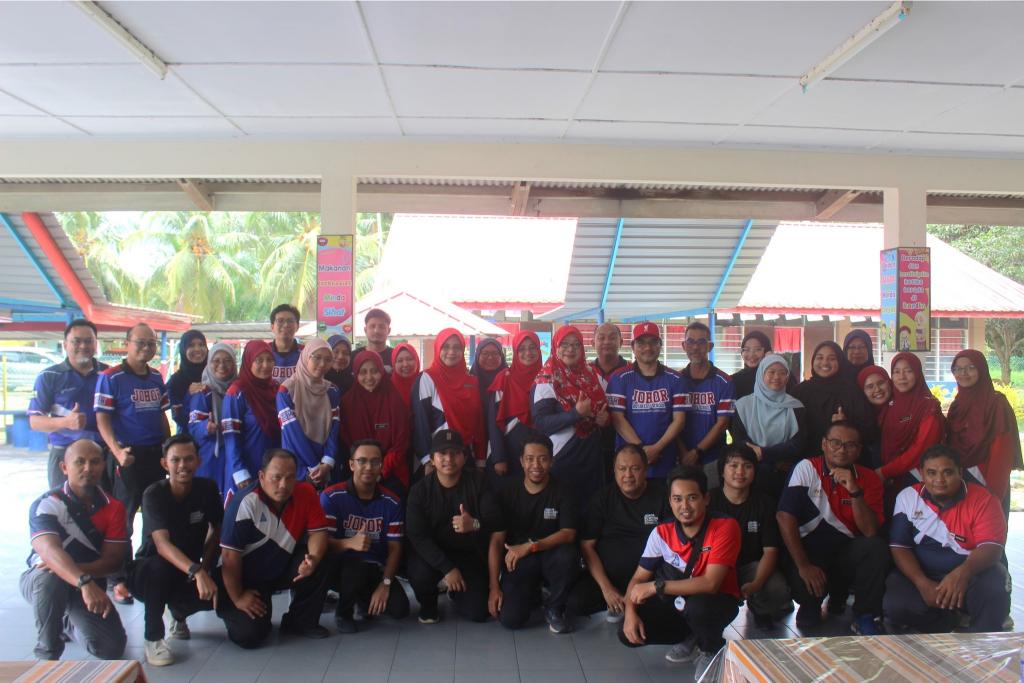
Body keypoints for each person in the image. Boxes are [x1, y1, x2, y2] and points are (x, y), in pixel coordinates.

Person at [619, 465, 741, 679]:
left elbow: (711, 583)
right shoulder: (661, 532)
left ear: (706, 498)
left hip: (717, 601)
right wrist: (629, 612)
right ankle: (691, 636)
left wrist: (657, 586)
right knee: (626, 632)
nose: (684, 506)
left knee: (699, 608)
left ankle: (711, 650)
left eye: (692, 498)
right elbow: (638, 578)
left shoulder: (725, 526)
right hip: (680, 604)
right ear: (670, 501)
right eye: (677, 499)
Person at [777, 421, 888, 635]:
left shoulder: (869, 478)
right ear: (824, 444)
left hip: (846, 552)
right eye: (835, 442)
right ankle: (813, 603)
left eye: (850, 445)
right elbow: (784, 516)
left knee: (876, 548)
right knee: (808, 616)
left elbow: (870, 532)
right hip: (810, 552)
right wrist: (803, 566)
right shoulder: (807, 468)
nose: (842, 450)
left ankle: (865, 615)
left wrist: (854, 491)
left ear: (859, 450)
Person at [885, 445, 1010, 633]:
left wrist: (962, 574)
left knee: (993, 587)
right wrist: (922, 583)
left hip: (971, 571)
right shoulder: (908, 497)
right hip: (925, 573)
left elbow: (992, 548)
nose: (939, 480)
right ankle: (949, 622)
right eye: (931, 473)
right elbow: (899, 546)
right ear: (922, 474)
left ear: (960, 473)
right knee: (896, 605)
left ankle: (981, 633)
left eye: (948, 472)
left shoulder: (985, 499)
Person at [22, 440, 127, 661]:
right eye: (80, 462)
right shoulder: (47, 504)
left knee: (111, 648)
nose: (88, 468)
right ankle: (47, 654)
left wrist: (81, 578)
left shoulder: (114, 507)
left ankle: (67, 620)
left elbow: (113, 561)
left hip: (85, 583)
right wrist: (84, 581)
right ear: (64, 467)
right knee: (50, 577)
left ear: (103, 465)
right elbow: (49, 552)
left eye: (95, 462)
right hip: (44, 580)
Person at [217, 448, 332, 647]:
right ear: (262, 476)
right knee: (250, 635)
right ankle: (223, 605)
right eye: (276, 477)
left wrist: (312, 559)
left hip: (278, 567)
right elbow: (229, 557)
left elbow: (319, 532)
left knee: (322, 558)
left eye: (290, 477)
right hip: (243, 578)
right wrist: (238, 597)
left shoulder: (305, 492)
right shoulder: (246, 502)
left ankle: (300, 622)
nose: (283, 485)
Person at [94, 322, 171, 604]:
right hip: (127, 456)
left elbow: (162, 415)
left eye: (151, 344)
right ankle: (119, 578)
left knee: (155, 515)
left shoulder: (156, 377)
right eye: (141, 342)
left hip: (154, 454)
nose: (146, 348)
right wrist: (116, 451)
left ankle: (146, 569)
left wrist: (167, 449)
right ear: (127, 343)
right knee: (122, 519)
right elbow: (102, 419)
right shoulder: (110, 378)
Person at [129, 435, 221, 666]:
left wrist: (206, 567)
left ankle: (178, 614)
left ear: (198, 461)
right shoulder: (153, 494)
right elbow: (162, 545)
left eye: (189, 459)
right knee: (159, 569)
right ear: (164, 464)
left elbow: (217, 529)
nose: (183, 465)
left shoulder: (207, 489)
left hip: (188, 569)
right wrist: (197, 571)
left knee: (221, 585)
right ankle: (153, 638)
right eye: (175, 460)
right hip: (148, 572)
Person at [405, 430, 500, 624]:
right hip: (432, 555)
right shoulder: (419, 491)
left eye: (455, 453)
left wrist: (474, 524)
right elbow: (417, 536)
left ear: (464, 457)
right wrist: (447, 568)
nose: (449, 459)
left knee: (478, 613)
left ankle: (455, 592)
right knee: (419, 573)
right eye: (442, 453)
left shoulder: (478, 481)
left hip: (468, 554)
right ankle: (428, 604)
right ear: (432, 459)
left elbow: (496, 521)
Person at [488, 434, 579, 633]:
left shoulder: (564, 490)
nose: (536, 465)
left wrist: (531, 546)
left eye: (543, 459)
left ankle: (555, 608)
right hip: (518, 561)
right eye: (530, 459)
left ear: (552, 461)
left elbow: (568, 533)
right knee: (511, 619)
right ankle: (535, 594)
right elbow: (497, 540)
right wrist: (494, 587)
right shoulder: (507, 491)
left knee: (568, 555)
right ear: (521, 461)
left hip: (551, 554)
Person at [567, 444, 668, 621]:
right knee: (575, 603)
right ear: (614, 470)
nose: (628, 475)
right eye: (622, 469)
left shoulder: (662, 496)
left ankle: (628, 607)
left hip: (648, 578)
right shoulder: (602, 498)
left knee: (661, 609)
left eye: (635, 468)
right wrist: (606, 588)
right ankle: (615, 603)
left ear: (645, 469)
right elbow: (587, 546)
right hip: (609, 578)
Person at [321, 440, 409, 634]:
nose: (369, 467)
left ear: (381, 466)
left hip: (374, 568)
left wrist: (385, 584)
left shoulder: (392, 502)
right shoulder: (331, 497)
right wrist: (348, 543)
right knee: (355, 565)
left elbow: (395, 548)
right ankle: (343, 613)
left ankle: (362, 599)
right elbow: (320, 543)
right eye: (362, 461)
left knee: (400, 610)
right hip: (340, 567)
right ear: (351, 464)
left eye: (375, 462)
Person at [708, 445, 791, 628]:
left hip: (751, 566)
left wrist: (756, 584)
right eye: (733, 465)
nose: (740, 472)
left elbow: (770, 551)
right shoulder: (708, 501)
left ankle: (761, 610)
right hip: (716, 565)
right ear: (722, 471)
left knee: (777, 589)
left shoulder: (765, 503)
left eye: (747, 466)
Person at [531, 325, 610, 514]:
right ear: (555, 347)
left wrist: (605, 420)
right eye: (564, 344)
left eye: (576, 345)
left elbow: (607, 413)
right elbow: (541, 423)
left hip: (592, 455)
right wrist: (575, 414)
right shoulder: (546, 379)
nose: (570, 349)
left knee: (591, 509)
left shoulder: (593, 375)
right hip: (562, 456)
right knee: (564, 509)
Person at [29, 318, 109, 489]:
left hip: (102, 453)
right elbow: (35, 421)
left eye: (88, 341)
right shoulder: (48, 376)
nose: (83, 346)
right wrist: (66, 422)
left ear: (96, 345)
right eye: (76, 341)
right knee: (63, 503)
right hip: (64, 453)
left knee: (105, 503)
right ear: (65, 345)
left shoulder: (108, 374)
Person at [607, 322, 687, 479]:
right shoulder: (619, 378)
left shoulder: (676, 379)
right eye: (641, 343)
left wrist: (657, 448)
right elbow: (617, 419)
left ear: (660, 345)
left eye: (653, 342)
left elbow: (679, 421)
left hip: (665, 459)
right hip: (629, 462)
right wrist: (641, 450)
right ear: (632, 346)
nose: (647, 348)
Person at [946, 350, 1022, 513]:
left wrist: (993, 496)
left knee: (985, 524)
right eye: (958, 369)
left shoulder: (996, 403)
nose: (963, 373)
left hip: (987, 480)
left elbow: (1002, 453)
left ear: (982, 369)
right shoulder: (956, 405)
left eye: (970, 368)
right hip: (959, 481)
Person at [730, 353, 807, 497]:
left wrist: (764, 453)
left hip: (785, 476)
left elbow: (797, 444)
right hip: (752, 475)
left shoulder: (796, 407)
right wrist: (773, 459)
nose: (777, 377)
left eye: (782, 373)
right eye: (771, 372)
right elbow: (740, 440)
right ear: (761, 374)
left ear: (787, 377)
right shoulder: (743, 406)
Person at [412, 328, 486, 474]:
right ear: (438, 348)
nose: (451, 352)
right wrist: (428, 460)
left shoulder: (472, 381)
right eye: (445, 347)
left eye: (457, 347)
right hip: (438, 459)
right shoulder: (427, 378)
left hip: (466, 454)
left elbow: (478, 422)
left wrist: (480, 459)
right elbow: (420, 423)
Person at [340, 350, 411, 493]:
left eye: (374, 371)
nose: (369, 377)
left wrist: (381, 470)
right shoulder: (348, 402)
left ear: (382, 372)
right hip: (359, 472)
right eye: (363, 372)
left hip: (392, 472)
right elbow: (347, 442)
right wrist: (366, 468)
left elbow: (401, 441)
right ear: (356, 374)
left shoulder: (394, 399)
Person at [877, 353, 945, 498]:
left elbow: (921, 449)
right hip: (888, 479)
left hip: (915, 478)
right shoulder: (889, 404)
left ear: (918, 373)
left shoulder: (928, 407)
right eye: (896, 372)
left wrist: (885, 471)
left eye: (908, 371)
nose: (902, 377)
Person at [791, 340, 876, 456]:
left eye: (832, 358)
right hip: (803, 460)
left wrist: (847, 424)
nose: (825, 363)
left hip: (843, 459)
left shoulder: (852, 393)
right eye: (820, 358)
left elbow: (870, 433)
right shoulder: (799, 391)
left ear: (840, 361)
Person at [677, 322, 734, 490]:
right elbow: (672, 421)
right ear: (684, 346)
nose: (695, 347)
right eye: (690, 342)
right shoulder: (676, 380)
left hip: (712, 458)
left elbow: (722, 423)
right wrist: (684, 452)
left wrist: (697, 452)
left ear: (710, 346)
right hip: (681, 456)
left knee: (711, 498)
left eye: (701, 342)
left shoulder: (724, 382)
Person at [277, 338, 341, 487]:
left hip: (325, 461)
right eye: (317, 357)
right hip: (297, 463)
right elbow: (292, 432)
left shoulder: (332, 390)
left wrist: (327, 462)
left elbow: (334, 428)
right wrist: (314, 467)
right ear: (306, 357)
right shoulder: (287, 390)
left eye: (328, 360)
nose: (322, 364)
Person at [222, 340, 281, 496]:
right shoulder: (236, 392)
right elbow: (230, 436)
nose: (265, 365)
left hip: (274, 469)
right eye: (259, 360)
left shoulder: (277, 389)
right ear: (248, 362)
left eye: (269, 360)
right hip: (246, 470)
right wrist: (239, 470)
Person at [487, 331, 543, 482]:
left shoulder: (547, 377)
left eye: (532, 347)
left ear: (539, 350)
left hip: (541, 454)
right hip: (509, 450)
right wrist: (499, 457)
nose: (528, 353)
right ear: (515, 352)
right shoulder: (503, 379)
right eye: (522, 349)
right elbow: (493, 422)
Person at [187, 342, 237, 495]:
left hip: (235, 457)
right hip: (210, 458)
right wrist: (205, 427)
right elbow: (193, 428)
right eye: (216, 361)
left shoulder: (239, 391)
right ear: (209, 363)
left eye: (227, 360)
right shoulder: (202, 392)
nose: (222, 365)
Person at [590, 322, 628, 478]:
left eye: (612, 338)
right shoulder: (584, 373)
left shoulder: (632, 371)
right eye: (601, 338)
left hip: (625, 445)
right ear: (592, 343)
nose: (607, 342)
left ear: (621, 342)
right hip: (590, 447)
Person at [470, 337, 508, 457]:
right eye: (485, 353)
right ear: (477, 356)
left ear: (501, 356)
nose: (490, 357)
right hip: (474, 442)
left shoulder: (510, 381)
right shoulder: (468, 382)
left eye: (495, 353)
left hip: (505, 441)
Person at [166, 330, 208, 434]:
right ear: (183, 350)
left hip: (216, 438)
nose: (197, 349)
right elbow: (179, 418)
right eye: (191, 345)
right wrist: (188, 395)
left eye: (201, 344)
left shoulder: (216, 375)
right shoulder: (175, 382)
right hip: (187, 438)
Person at [856, 364, 892, 471]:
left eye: (881, 383)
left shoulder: (902, 410)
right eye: (870, 386)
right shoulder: (860, 419)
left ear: (889, 383)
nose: (877, 389)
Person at [730, 330, 771, 400]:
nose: (751, 355)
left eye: (758, 349)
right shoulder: (733, 380)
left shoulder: (776, 378)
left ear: (767, 351)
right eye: (746, 349)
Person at [353, 308, 394, 373]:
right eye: (372, 326)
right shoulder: (353, 356)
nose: (376, 331)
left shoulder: (396, 357)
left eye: (381, 327)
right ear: (365, 330)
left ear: (389, 330)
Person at [269, 304, 303, 381]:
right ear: (272, 326)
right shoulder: (263, 351)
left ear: (297, 326)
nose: (285, 325)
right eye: (280, 321)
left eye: (290, 321)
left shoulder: (306, 353)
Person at [390, 342, 421, 409]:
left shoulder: (425, 384)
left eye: (409, 359)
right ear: (394, 364)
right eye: (400, 361)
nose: (405, 364)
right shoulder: (388, 388)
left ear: (416, 360)